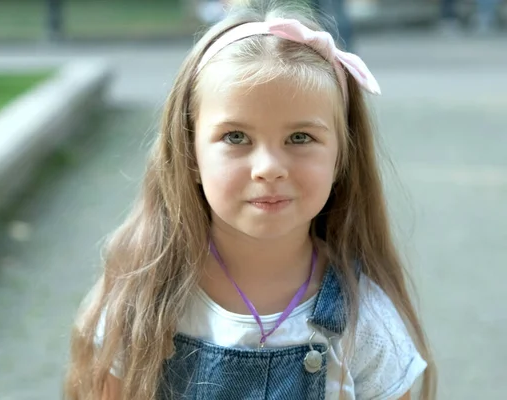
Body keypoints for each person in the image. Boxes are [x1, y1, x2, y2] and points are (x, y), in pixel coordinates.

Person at [65, 0, 437, 399]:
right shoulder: (140, 304)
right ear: (189, 153)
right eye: (236, 137)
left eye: (300, 138)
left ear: (341, 156)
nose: (269, 168)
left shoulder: (367, 327)